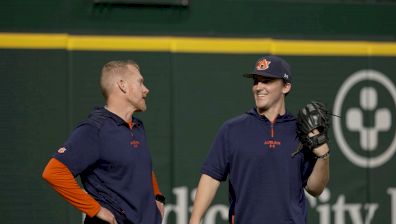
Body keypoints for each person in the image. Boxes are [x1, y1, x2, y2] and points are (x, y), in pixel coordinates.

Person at [189, 56, 330, 224]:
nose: (259, 87)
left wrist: (324, 155)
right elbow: (211, 177)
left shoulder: (301, 131)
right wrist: (195, 220)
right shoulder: (233, 129)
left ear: (286, 86)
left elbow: (315, 189)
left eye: (267, 81)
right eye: (256, 81)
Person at [42, 60, 165, 224]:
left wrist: (157, 197)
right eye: (140, 82)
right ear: (123, 85)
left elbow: (143, 165)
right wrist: (96, 209)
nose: (146, 89)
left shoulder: (137, 126)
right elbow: (54, 172)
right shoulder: (94, 129)